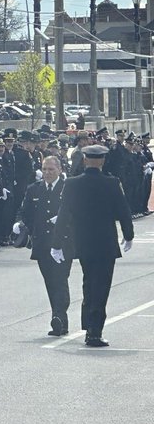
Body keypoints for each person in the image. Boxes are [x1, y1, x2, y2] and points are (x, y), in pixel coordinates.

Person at [51, 144, 134, 347]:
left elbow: (63, 214)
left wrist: (57, 243)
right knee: (101, 286)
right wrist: (128, 235)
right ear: (102, 161)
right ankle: (94, 331)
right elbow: (123, 211)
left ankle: (88, 325)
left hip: (84, 241)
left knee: (89, 283)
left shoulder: (72, 184)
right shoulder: (112, 183)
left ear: (85, 160)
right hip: (105, 243)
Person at [14, 155, 70, 336]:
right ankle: (59, 317)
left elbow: (77, 214)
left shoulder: (68, 188)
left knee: (60, 279)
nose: (47, 173)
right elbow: (26, 212)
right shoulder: (34, 189)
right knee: (50, 281)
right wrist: (22, 225)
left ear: (59, 170)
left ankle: (59, 316)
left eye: (51, 169)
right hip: (42, 244)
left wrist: (63, 221)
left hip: (63, 243)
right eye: (44, 169)